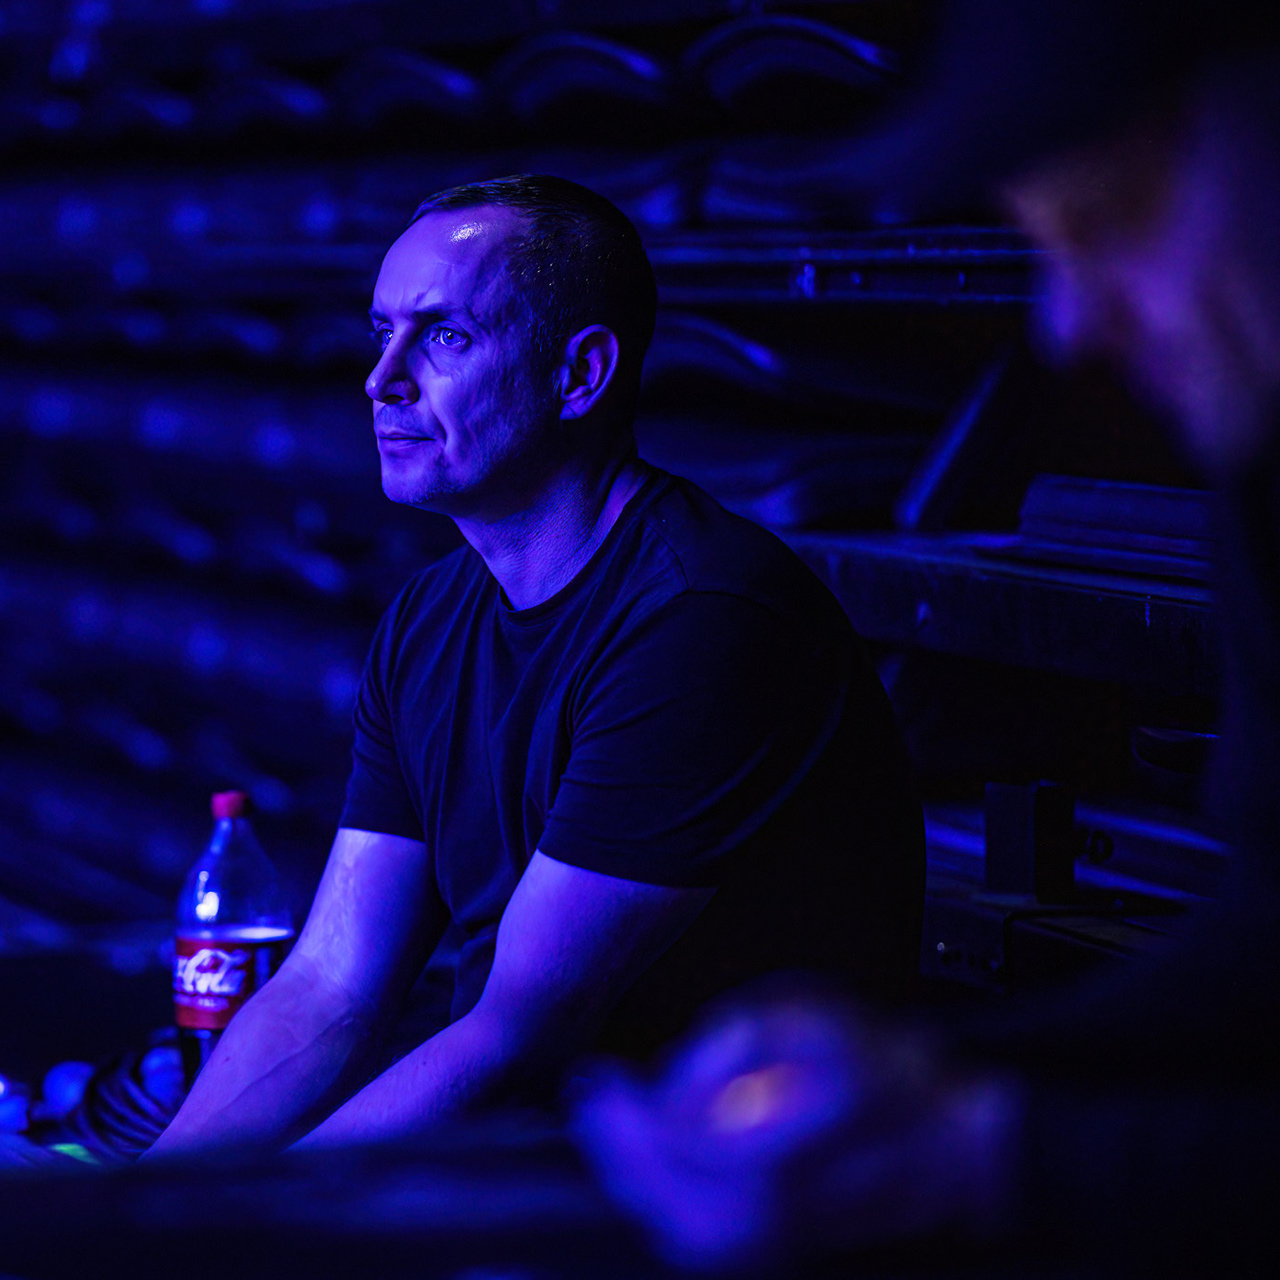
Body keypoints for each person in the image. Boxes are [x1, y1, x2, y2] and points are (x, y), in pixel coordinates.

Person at [574, 3, 1280, 1271]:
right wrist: (915, 1074)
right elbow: (1267, 953)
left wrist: (994, 1152)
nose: (1068, 323)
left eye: (1113, 218)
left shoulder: (697, 607)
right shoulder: (1264, 483)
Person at [147, 175, 925, 1157]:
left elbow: (517, 1034)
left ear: (580, 374)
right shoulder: (428, 619)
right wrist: (151, 1199)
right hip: (534, 1161)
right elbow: (331, 985)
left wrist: (246, 1218)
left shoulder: (700, 619)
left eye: (443, 337)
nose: (381, 380)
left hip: (714, 1190)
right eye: (381, 332)